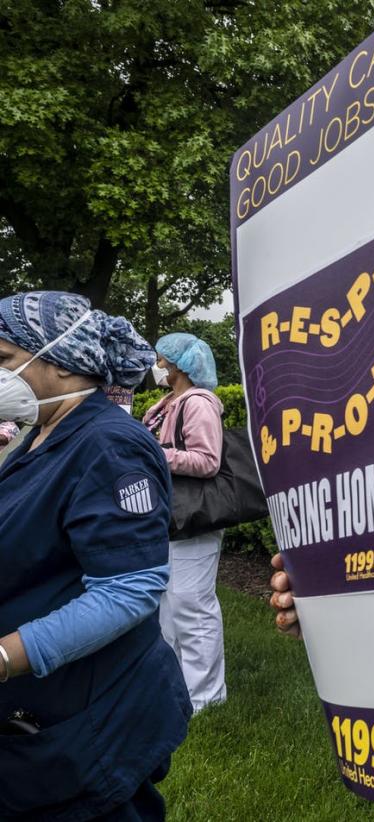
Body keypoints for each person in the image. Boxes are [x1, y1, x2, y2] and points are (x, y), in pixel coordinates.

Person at [0, 291, 189, 820]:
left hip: (89, 721)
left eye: (4, 360)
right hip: (42, 717)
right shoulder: (42, 433)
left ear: (60, 360)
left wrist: (5, 656)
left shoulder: (109, 445)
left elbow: (129, 588)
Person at [142, 332, 228, 713]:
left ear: (177, 364)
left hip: (193, 518)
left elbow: (207, 460)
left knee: (191, 604)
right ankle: (177, 688)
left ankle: (206, 699)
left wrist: (154, 454)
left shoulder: (199, 403)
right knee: (168, 605)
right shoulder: (167, 403)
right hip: (168, 516)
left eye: (161, 359)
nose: (157, 365)